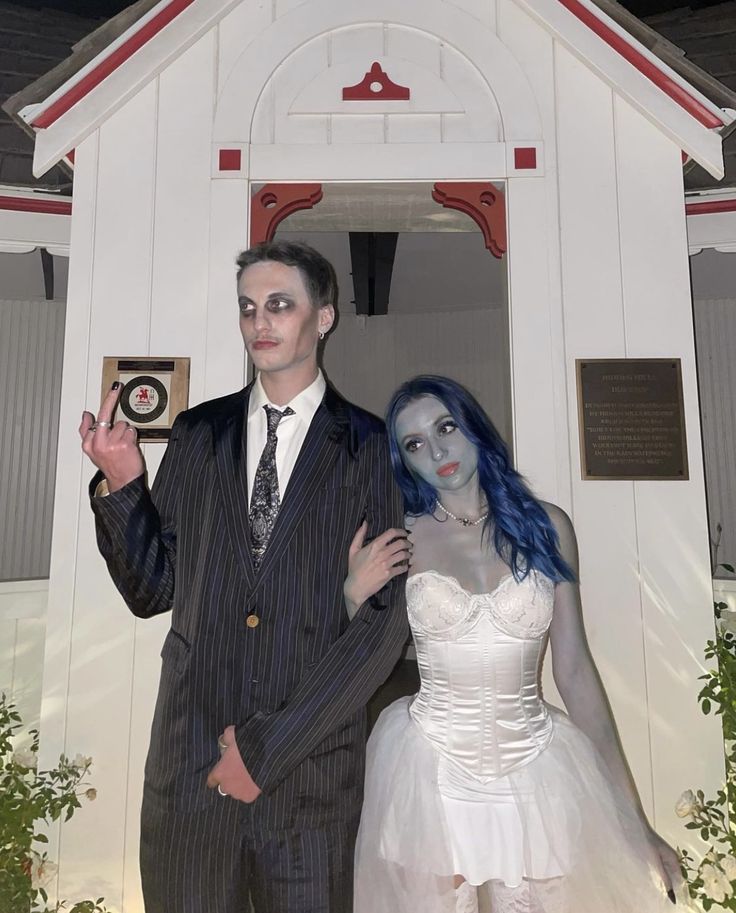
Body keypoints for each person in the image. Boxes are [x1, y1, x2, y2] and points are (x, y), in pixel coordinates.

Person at [79, 240, 410, 913]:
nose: (261, 321)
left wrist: (265, 750)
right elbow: (153, 591)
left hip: (308, 781)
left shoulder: (368, 446)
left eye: (280, 304)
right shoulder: (197, 435)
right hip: (190, 774)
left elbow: (379, 631)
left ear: (324, 317)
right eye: (248, 307)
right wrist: (122, 487)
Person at [351, 374, 686, 913]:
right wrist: (351, 595)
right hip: (430, 769)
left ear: (474, 427)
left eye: (446, 428)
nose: (437, 451)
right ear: (403, 460)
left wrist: (636, 823)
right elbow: (353, 656)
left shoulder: (548, 527)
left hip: (534, 765)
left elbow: (575, 672)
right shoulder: (399, 540)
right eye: (414, 444)